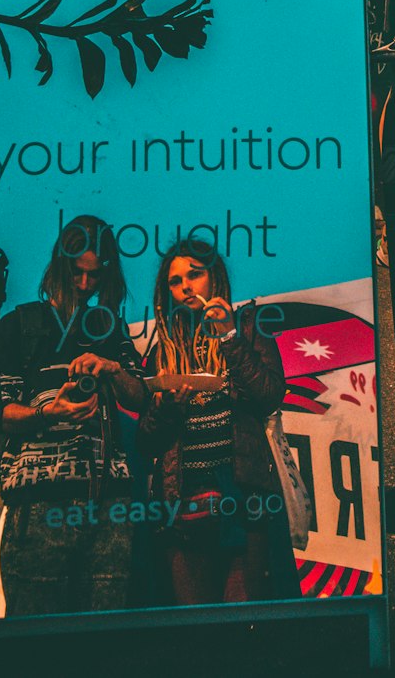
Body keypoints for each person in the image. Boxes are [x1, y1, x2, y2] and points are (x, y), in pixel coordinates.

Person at [0, 216, 146, 617]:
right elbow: (1, 413)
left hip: (109, 504)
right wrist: (49, 411)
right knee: (35, 643)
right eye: (77, 272)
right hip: (39, 505)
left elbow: (142, 396)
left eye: (95, 275)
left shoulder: (109, 330)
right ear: (60, 265)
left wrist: (110, 368)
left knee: (102, 643)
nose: (86, 284)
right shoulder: (18, 326)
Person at [138, 240, 297, 606]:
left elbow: (269, 395)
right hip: (183, 510)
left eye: (195, 274)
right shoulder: (163, 348)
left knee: (244, 622)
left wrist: (229, 337)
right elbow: (146, 443)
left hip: (241, 505)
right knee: (195, 631)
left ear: (216, 277)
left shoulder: (248, 327)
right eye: (176, 282)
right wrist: (166, 408)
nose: (187, 287)